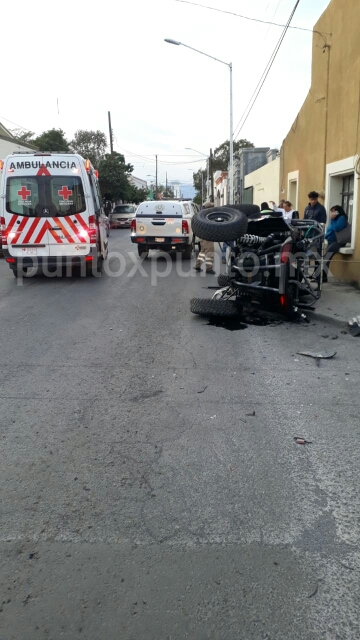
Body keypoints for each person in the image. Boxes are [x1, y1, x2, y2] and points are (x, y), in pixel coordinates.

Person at [322, 205, 348, 282]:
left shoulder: (342, 218)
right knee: (326, 258)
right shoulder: (333, 220)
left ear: (337, 212)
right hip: (331, 241)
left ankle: (323, 277)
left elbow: (336, 228)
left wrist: (332, 220)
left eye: (333, 211)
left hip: (338, 242)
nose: (332, 213)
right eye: (331, 212)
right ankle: (323, 276)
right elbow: (330, 230)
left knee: (326, 257)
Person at [194, 201, 215, 274]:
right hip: (207, 236)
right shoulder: (208, 215)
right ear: (208, 208)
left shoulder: (201, 215)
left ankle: (197, 265)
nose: (213, 208)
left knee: (203, 251)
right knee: (210, 252)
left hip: (201, 236)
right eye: (212, 207)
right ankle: (209, 268)